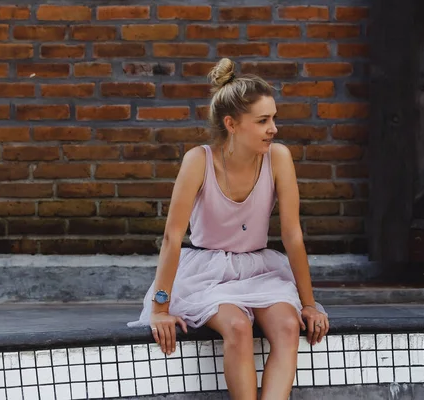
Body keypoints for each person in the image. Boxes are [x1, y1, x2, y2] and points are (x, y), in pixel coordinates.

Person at [128, 57, 329, 399]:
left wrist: (309, 303)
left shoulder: (278, 158)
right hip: (208, 272)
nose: (274, 129)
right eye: (263, 121)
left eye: (274, 119)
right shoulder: (199, 161)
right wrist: (161, 308)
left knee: (287, 325)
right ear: (232, 124)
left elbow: (292, 235)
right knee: (237, 327)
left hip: (260, 268)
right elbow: (172, 237)